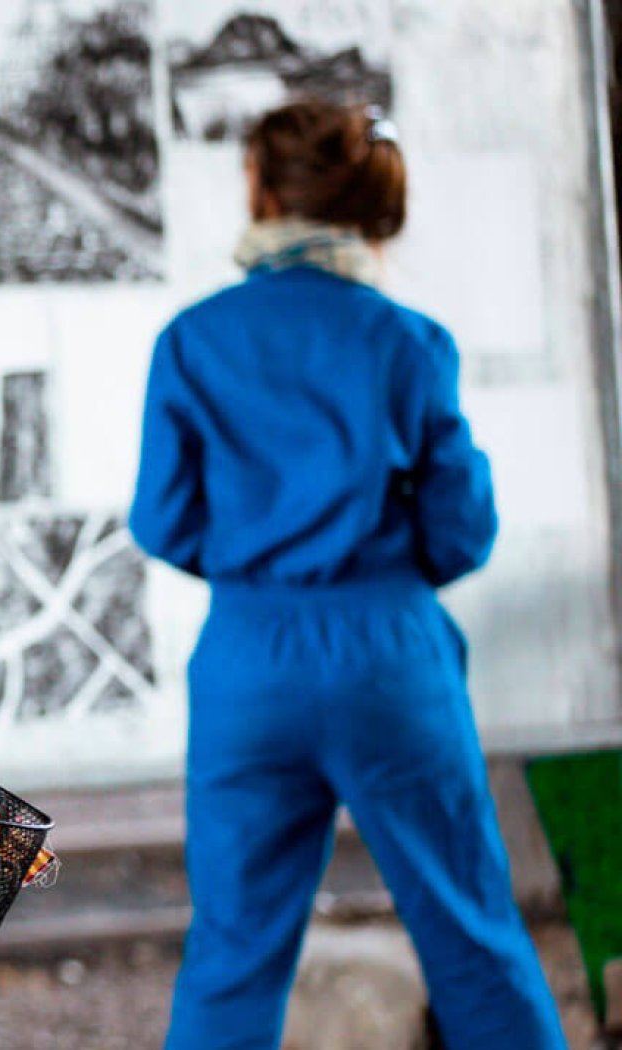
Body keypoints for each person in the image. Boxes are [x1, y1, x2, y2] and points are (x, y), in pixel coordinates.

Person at [130, 99, 564, 1049]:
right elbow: (462, 529)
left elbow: (162, 520)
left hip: (250, 650)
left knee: (235, 948)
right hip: (389, 650)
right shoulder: (408, 340)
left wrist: (259, 568)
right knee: (471, 931)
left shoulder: (193, 340)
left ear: (263, 187)